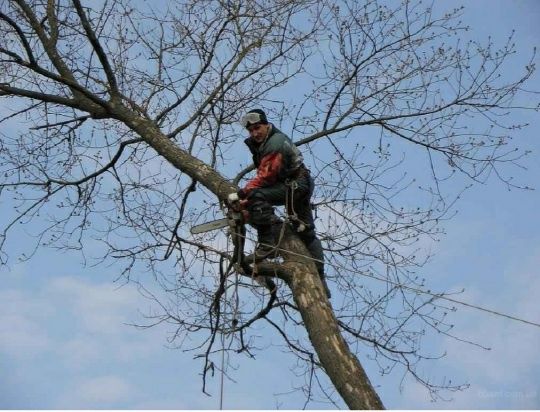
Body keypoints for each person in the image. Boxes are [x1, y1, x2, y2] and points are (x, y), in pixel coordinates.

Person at [231, 109, 330, 298]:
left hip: (297, 185)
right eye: (251, 131)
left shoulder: (275, 143)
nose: (254, 133)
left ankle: (268, 244)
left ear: (266, 125)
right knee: (304, 231)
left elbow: (266, 176)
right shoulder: (261, 142)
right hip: (290, 183)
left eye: (257, 128)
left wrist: (243, 193)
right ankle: (320, 277)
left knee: (258, 197)